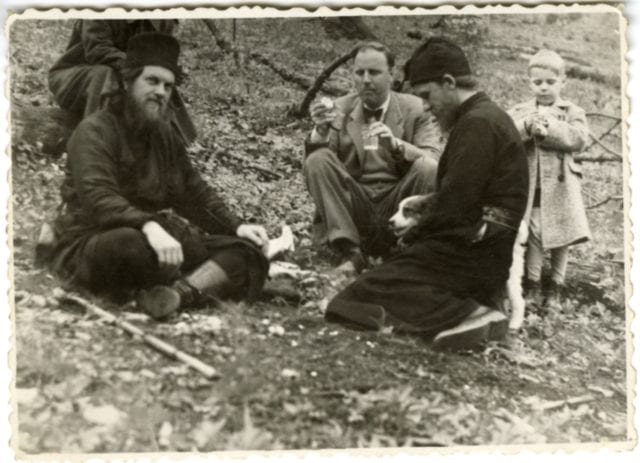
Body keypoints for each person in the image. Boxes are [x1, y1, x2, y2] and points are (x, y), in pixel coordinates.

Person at [46, 32, 269, 319]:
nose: (161, 92)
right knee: (128, 246)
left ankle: (176, 295)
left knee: (246, 252)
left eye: (167, 85)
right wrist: (149, 226)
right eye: (151, 81)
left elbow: (193, 191)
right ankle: (192, 280)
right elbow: (98, 199)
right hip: (95, 237)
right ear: (127, 82)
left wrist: (236, 226)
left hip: (157, 237)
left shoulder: (165, 135)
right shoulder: (94, 131)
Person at [325, 38, 529, 351]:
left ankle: (471, 313)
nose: (427, 107)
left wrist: (414, 234)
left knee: (353, 299)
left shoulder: (478, 125)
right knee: (385, 277)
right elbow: (459, 198)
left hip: (473, 255)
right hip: (480, 252)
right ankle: (467, 309)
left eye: (426, 95)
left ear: (448, 83)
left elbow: (456, 207)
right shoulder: (482, 118)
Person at [304, 41, 444, 272]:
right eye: (360, 72)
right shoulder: (340, 108)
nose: (366, 79)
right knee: (317, 159)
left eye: (374, 72)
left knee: (427, 167)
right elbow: (317, 169)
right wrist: (320, 131)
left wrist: (396, 145)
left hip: (399, 204)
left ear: (392, 75)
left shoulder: (416, 108)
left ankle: (410, 247)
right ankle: (349, 252)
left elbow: (433, 160)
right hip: (354, 205)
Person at [508, 50, 591, 302]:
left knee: (561, 232)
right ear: (529, 82)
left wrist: (550, 128)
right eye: (538, 82)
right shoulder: (521, 110)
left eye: (550, 82)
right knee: (534, 230)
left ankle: (556, 283)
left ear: (563, 82)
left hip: (561, 184)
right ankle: (532, 282)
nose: (544, 88)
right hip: (531, 183)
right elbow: (507, 134)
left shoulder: (572, 111)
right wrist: (526, 126)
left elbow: (579, 139)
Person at [48, 19, 197, 145]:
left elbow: (159, 56)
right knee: (105, 74)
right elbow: (97, 50)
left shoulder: (158, 17)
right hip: (72, 78)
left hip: (122, 77)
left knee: (159, 82)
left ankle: (172, 144)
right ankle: (95, 145)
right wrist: (138, 67)